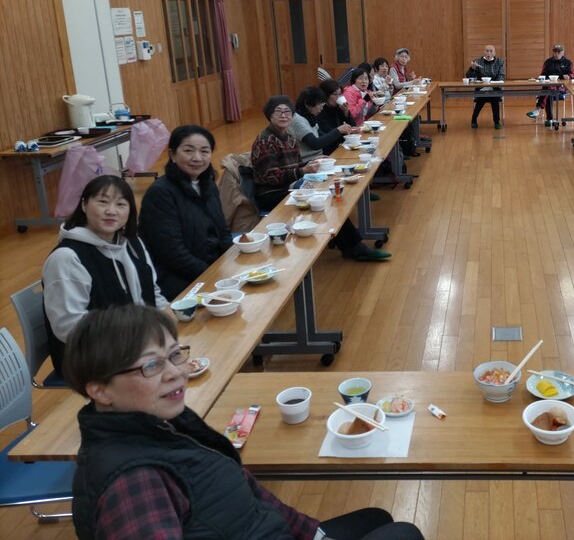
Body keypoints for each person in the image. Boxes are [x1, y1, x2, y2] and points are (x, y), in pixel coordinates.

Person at [64, 305, 424, 540]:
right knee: (403, 534)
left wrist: (316, 535)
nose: (175, 372)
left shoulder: (164, 423)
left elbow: (249, 496)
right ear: (100, 390)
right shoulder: (132, 482)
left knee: (377, 518)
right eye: (152, 365)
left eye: (174, 355)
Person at [42, 176, 167, 376]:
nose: (111, 211)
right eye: (102, 202)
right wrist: (134, 339)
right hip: (92, 356)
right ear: (84, 205)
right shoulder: (67, 258)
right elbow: (69, 327)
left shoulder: (132, 244)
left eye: (120, 204)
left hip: (139, 340)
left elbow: (152, 293)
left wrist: (168, 324)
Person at [252, 95, 388, 261]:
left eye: (287, 112)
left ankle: (351, 246)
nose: (283, 115)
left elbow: (294, 165)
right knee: (324, 202)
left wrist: (311, 162)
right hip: (271, 193)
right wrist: (303, 171)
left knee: (329, 196)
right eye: (278, 112)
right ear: (269, 115)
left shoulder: (288, 136)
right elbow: (270, 176)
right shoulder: (265, 140)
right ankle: (354, 247)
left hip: (291, 186)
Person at [139, 125, 233, 300]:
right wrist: (211, 275)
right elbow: (171, 252)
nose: (197, 158)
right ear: (172, 155)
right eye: (188, 151)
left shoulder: (208, 184)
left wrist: (233, 260)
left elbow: (223, 230)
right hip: (177, 279)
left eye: (204, 151)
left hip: (211, 268)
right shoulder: (160, 193)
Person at [291, 86, 346, 161]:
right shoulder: (298, 120)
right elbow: (315, 144)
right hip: (308, 162)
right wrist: (338, 130)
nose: (322, 108)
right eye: (320, 104)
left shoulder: (309, 116)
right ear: (307, 104)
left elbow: (323, 136)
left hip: (319, 158)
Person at [526, 43, 573, 126]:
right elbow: (542, 75)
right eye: (555, 52)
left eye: (558, 52)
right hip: (549, 87)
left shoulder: (568, 63)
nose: (556, 54)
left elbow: (572, 75)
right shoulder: (548, 62)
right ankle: (549, 118)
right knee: (548, 92)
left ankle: (539, 111)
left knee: (547, 92)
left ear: (563, 52)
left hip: (561, 89)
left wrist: (568, 76)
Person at [315, 79, 360, 155]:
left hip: (343, 146)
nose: (338, 97)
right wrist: (343, 131)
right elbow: (327, 134)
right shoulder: (320, 111)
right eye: (335, 94)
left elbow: (353, 125)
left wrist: (346, 112)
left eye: (340, 94)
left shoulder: (338, 107)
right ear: (325, 95)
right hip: (329, 151)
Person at [466, 44, 505, 129]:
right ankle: (473, 120)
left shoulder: (499, 62)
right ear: (484, 52)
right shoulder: (477, 62)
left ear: (494, 53)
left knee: (495, 99)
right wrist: (472, 68)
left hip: (494, 89)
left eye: (491, 51)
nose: (489, 53)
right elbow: (469, 77)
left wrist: (493, 84)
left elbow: (501, 75)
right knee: (480, 101)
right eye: (487, 51)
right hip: (481, 89)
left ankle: (497, 122)